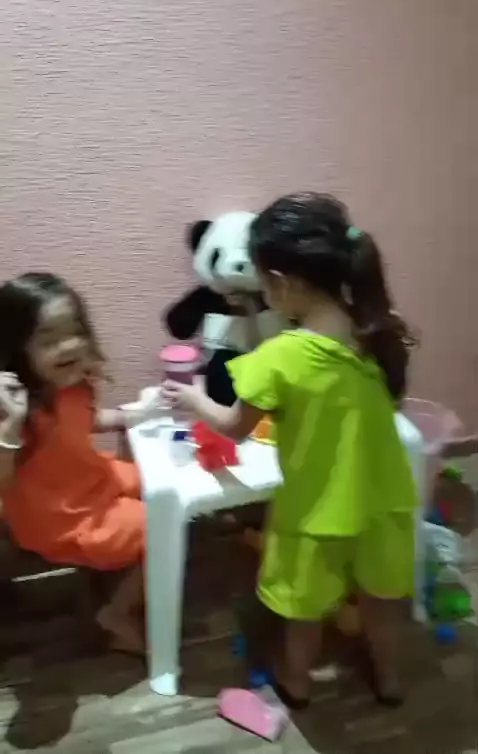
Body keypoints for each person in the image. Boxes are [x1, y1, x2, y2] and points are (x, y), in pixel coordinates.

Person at [163, 192, 418, 709]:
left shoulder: (281, 356)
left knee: (306, 610)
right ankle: (390, 682)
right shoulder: (375, 327)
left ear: (280, 282)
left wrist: (193, 399)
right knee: (381, 603)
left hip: (316, 512)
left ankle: (296, 683)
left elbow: (233, 428)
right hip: (386, 501)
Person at [0, 272, 159, 654]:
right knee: (165, 529)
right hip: (61, 518)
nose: (69, 344)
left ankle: (124, 567)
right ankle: (116, 613)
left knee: (160, 483)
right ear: (17, 349)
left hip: (90, 477)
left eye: (75, 331)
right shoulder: (15, 410)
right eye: (49, 339)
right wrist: (10, 426)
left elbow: (82, 421)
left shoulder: (72, 384)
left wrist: (130, 415)